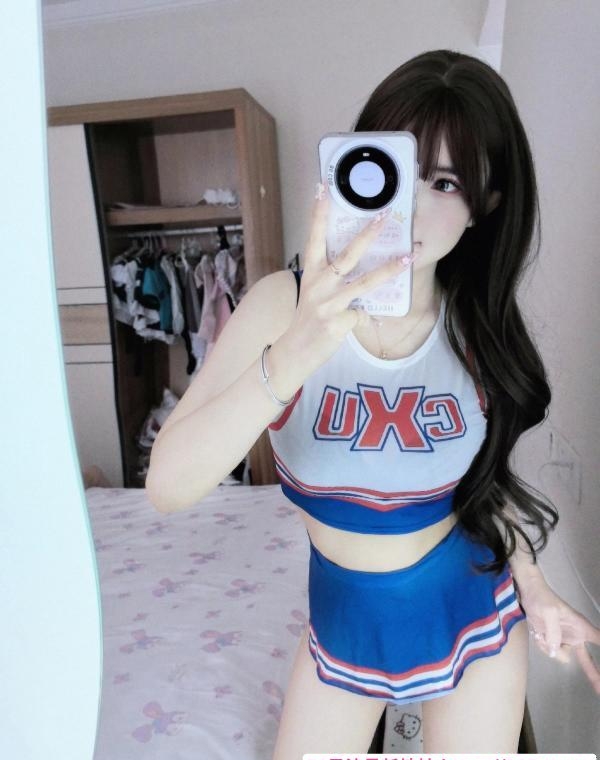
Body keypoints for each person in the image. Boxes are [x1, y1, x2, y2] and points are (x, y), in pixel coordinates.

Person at [146, 50, 600, 756]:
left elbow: (484, 487)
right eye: (394, 169)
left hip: (473, 619)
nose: (409, 205)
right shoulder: (282, 306)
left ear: (485, 204)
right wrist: (295, 352)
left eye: (445, 182)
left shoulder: (475, 328)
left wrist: (535, 586)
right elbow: (168, 486)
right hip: (343, 629)